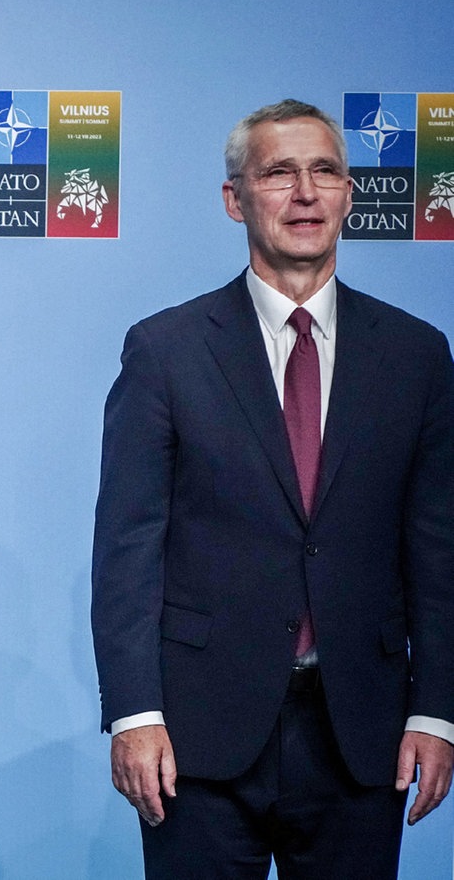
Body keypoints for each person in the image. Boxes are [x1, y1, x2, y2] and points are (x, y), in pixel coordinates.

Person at [91, 99, 454, 878]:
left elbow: (438, 551)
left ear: (351, 193)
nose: (306, 193)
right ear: (235, 199)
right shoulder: (166, 350)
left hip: (362, 733)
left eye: (325, 171)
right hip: (196, 734)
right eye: (279, 173)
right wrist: (133, 712)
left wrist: (436, 711)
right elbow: (126, 548)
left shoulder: (418, 356)